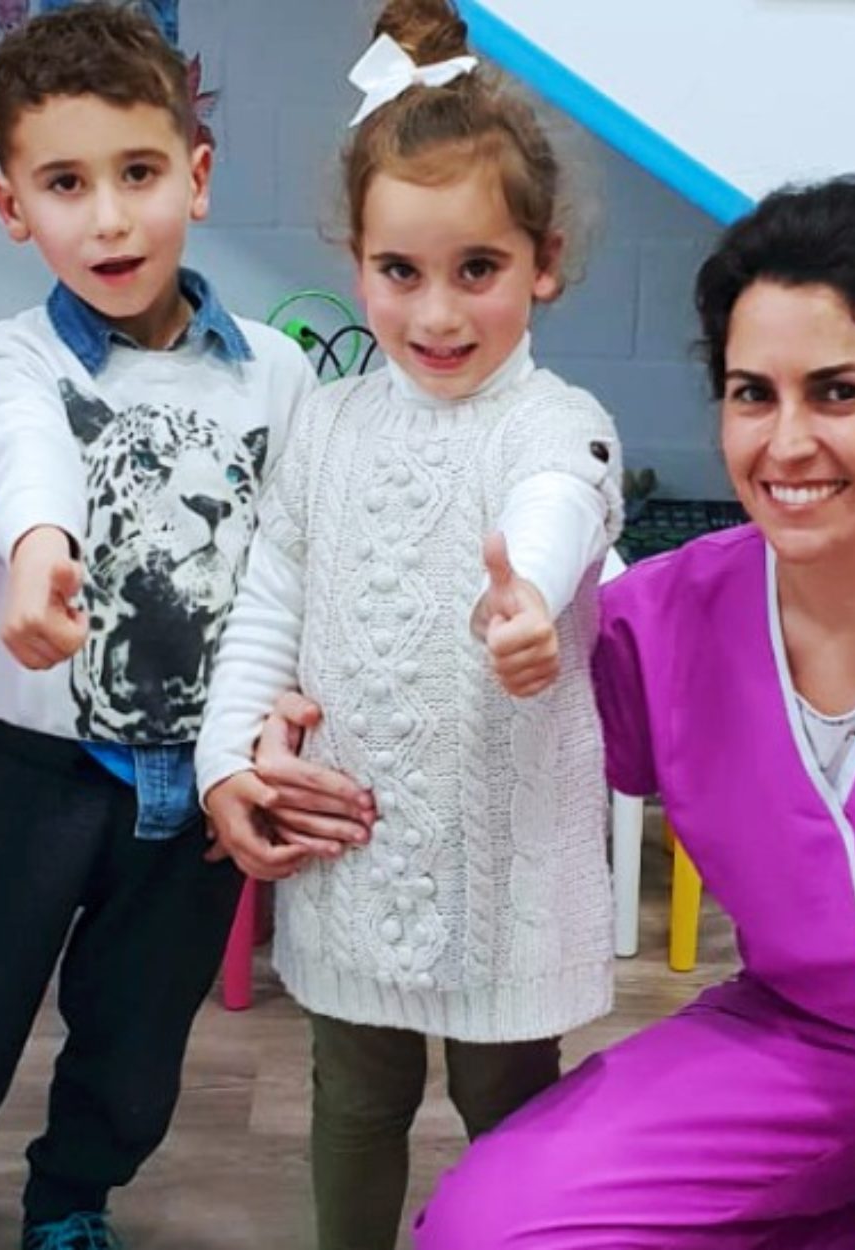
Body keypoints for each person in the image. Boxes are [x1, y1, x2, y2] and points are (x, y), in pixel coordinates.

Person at [411, 175, 855, 1248]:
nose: (784, 442)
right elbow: (472, 761)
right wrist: (278, 740)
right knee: (485, 1227)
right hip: (799, 1044)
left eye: (838, 393)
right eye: (753, 392)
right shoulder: (666, 618)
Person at [0, 7, 320, 1249]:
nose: (109, 218)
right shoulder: (11, 357)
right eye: (66, 184)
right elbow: (26, 462)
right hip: (30, 781)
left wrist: (272, 721)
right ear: (13, 207)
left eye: (138, 173)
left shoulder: (278, 374)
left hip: (194, 795)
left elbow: (292, 559)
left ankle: (72, 1202)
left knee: (134, 1047)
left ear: (197, 173)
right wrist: (38, 556)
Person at [194, 3, 625, 1246]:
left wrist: (529, 599)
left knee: (509, 1106)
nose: (437, 314)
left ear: (541, 261)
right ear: (359, 262)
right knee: (357, 1095)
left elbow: (558, 504)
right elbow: (268, 606)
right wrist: (229, 759)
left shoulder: (554, 419)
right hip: (353, 851)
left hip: (502, 864)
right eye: (401, 271)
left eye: (476, 271)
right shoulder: (325, 425)